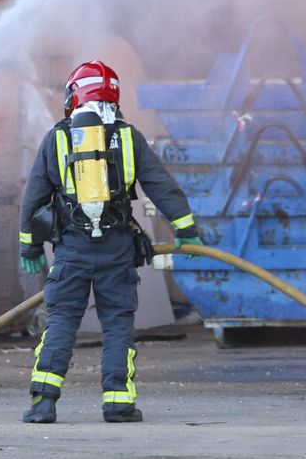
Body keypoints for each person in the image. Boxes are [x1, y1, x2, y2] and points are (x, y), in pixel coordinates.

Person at [19, 60, 204, 424]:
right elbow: (162, 187)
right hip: (117, 250)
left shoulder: (56, 138)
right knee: (118, 325)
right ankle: (118, 403)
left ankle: (43, 402)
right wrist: (186, 229)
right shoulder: (129, 136)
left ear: (77, 94)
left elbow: (33, 199)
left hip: (72, 249)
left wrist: (29, 246)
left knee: (60, 323)